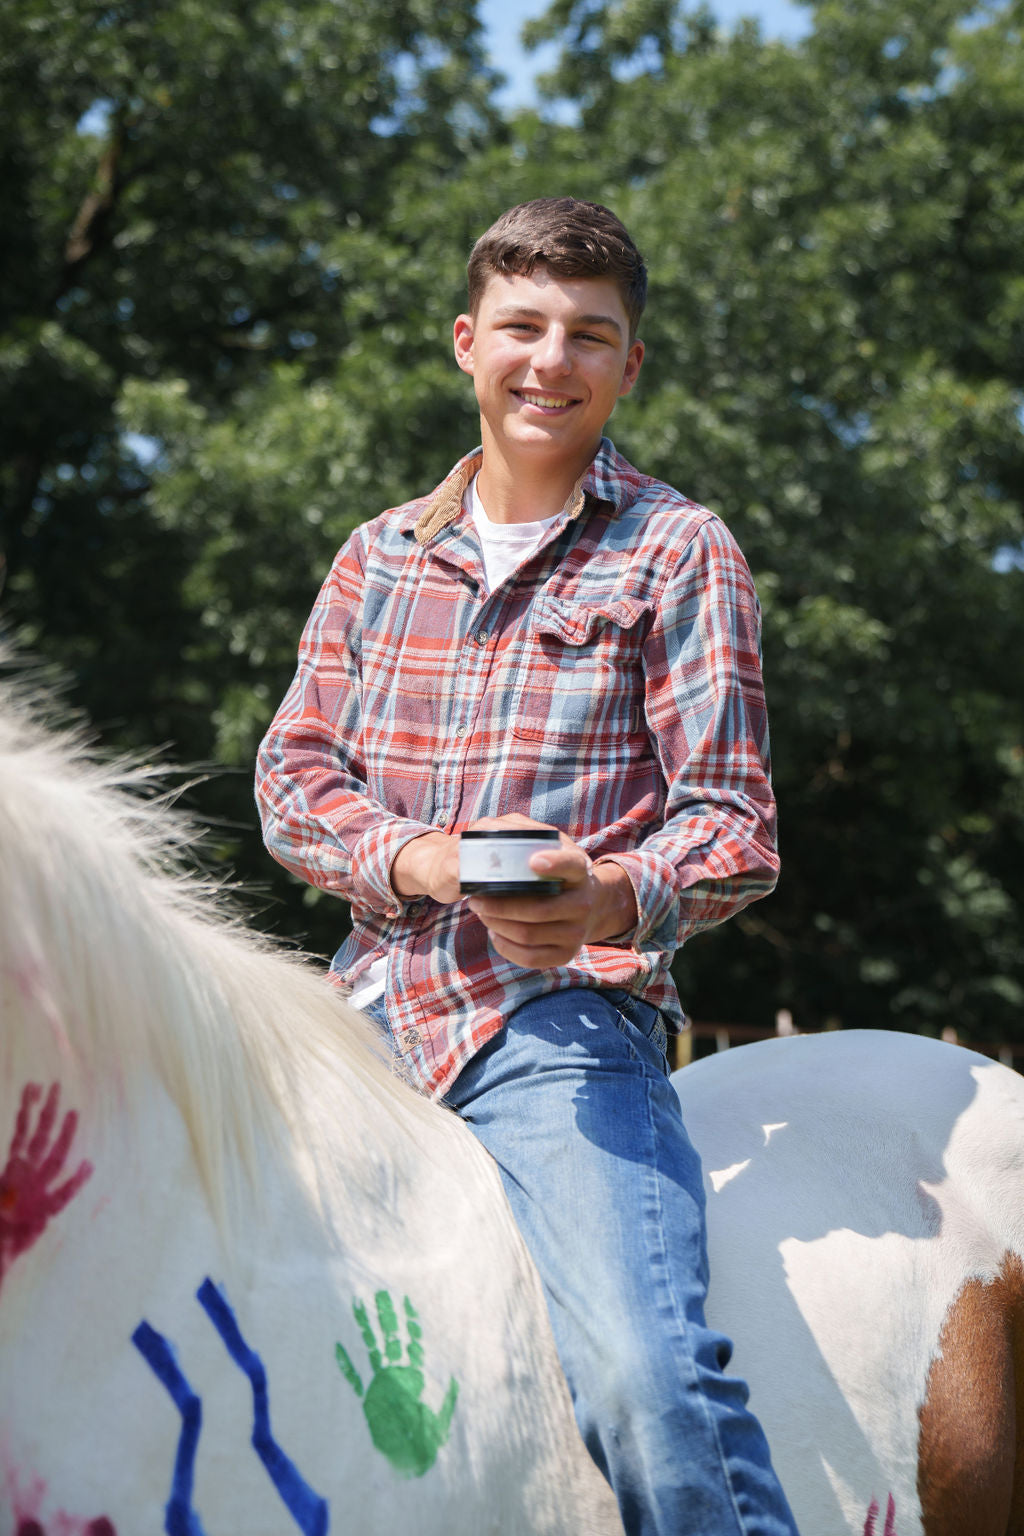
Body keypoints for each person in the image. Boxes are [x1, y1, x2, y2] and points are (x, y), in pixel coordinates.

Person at [255, 196, 799, 1536]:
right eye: (523, 326)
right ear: (465, 341)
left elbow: (732, 823)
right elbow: (292, 776)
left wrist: (611, 895)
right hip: (352, 1028)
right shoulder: (377, 559)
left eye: (588, 334)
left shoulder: (680, 553)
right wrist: (419, 858)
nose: (550, 359)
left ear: (629, 365)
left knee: (642, 1380)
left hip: (558, 1033)